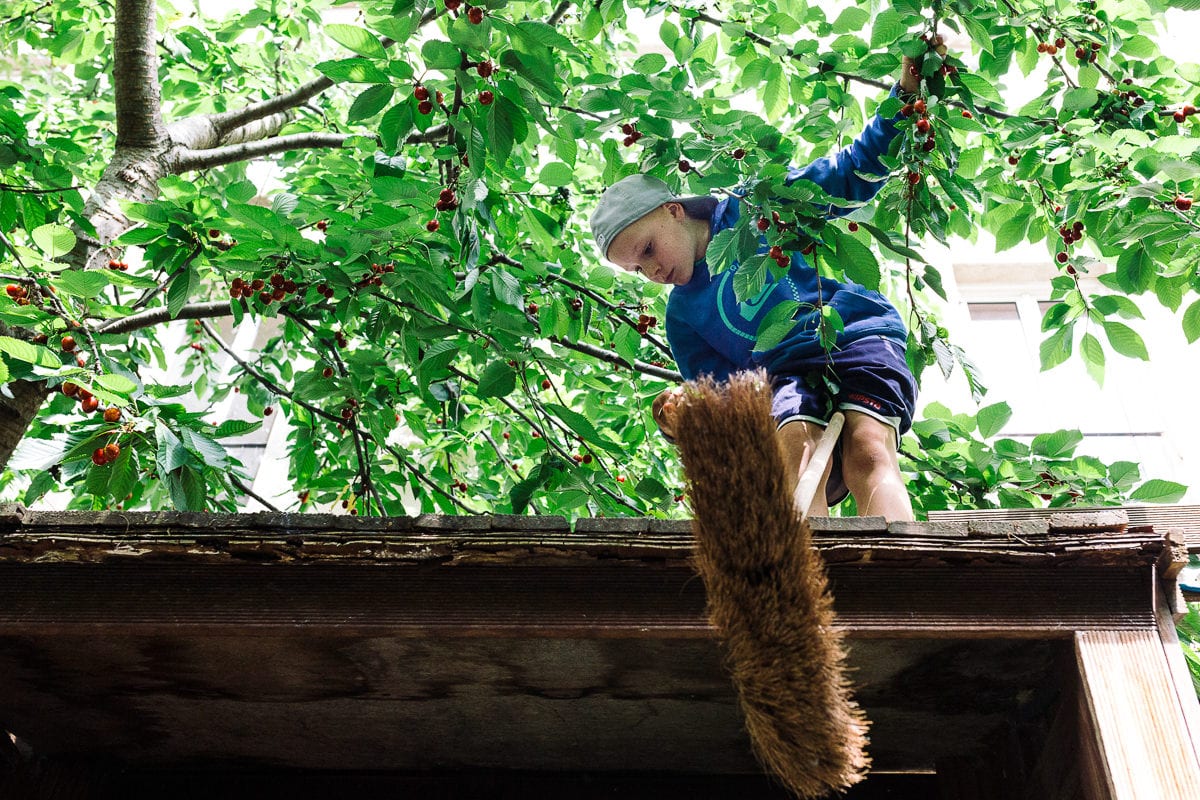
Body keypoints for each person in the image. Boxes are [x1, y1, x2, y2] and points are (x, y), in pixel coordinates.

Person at [589, 54, 931, 522]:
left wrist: (905, 99)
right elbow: (731, 402)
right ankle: (811, 576)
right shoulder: (684, 320)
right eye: (635, 269)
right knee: (796, 455)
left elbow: (849, 172)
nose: (649, 271)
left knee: (868, 450)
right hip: (784, 376)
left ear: (673, 210)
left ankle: (904, 564)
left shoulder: (756, 208)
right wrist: (688, 418)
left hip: (855, 335)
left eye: (647, 249)